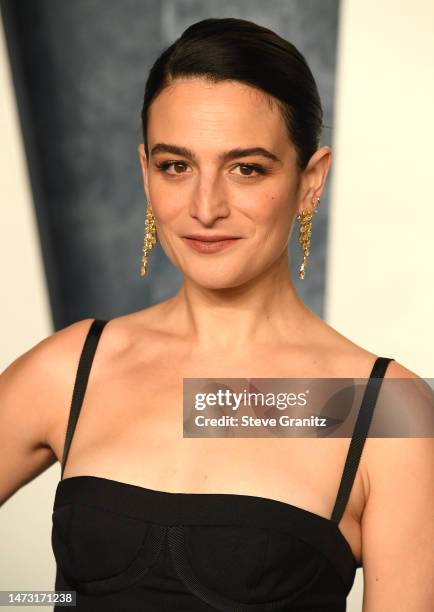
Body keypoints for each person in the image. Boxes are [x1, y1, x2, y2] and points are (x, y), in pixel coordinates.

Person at [0, 17, 432, 612]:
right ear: (145, 171)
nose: (206, 208)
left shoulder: (383, 411)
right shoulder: (76, 366)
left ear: (311, 181)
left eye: (246, 168)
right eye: (176, 165)